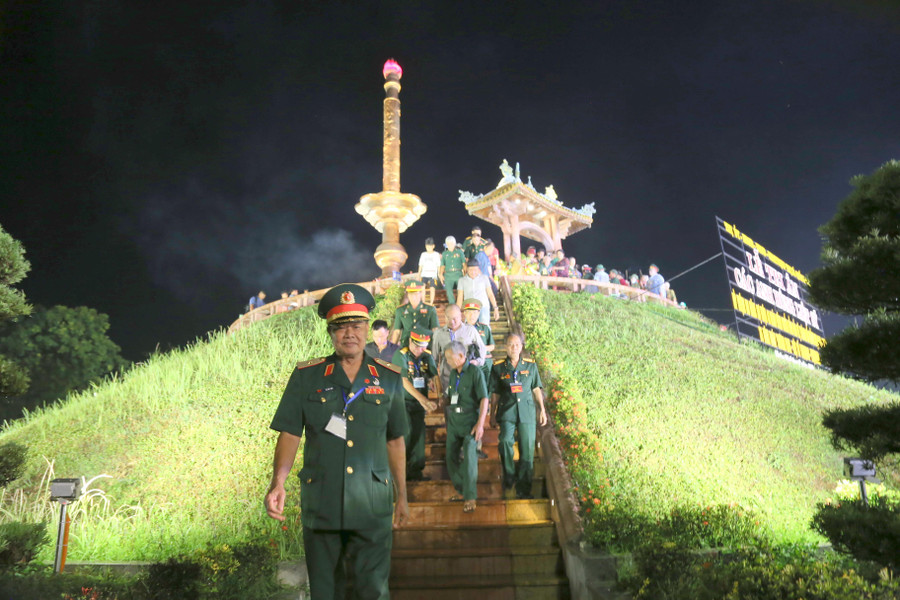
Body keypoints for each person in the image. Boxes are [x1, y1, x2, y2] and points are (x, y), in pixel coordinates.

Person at [265, 283, 409, 600]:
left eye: (356, 326)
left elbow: (395, 440)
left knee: (373, 591)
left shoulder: (389, 378)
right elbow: (290, 432)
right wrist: (278, 482)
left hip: (372, 505)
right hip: (323, 504)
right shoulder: (307, 376)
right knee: (325, 592)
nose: (349, 334)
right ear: (330, 332)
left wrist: (402, 495)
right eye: (341, 327)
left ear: (367, 328)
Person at [490, 333, 547, 499]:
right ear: (505, 347)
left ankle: (524, 487)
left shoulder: (530, 366)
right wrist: (492, 413)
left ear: (521, 347)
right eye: (510, 344)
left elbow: (536, 388)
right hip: (507, 410)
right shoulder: (498, 367)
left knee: (527, 449)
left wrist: (542, 410)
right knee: (505, 441)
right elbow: (495, 393)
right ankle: (509, 476)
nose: (514, 347)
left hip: (527, 412)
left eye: (517, 344)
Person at [443, 341, 490, 513]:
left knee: (470, 458)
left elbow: (484, 398)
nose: (447, 361)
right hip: (455, 420)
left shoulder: (475, 372)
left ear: (461, 356)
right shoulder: (453, 374)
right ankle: (462, 490)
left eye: (450, 358)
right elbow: (452, 395)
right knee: (450, 457)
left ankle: (470, 496)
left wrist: (480, 424)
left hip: (470, 421)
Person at [392, 325, 439, 481]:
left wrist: (436, 389)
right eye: (418, 346)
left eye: (423, 347)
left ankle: (415, 472)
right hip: (403, 402)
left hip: (419, 404)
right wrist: (424, 400)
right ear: (411, 341)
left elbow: (434, 375)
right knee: (406, 433)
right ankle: (399, 471)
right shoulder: (401, 355)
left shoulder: (426, 356)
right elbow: (404, 381)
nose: (420, 350)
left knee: (419, 436)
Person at [431, 304, 486, 393]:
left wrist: (478, 361)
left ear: (461, 316)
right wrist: (433, 378)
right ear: (445, 317)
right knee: (448, 401)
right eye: (449, 318)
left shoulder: (470, 330)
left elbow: (482, 349)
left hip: (467, 377)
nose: (452, 322)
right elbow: (434, 358)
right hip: (447, 379)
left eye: (455, 318)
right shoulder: (439, 334)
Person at [390, 280, 439, 348]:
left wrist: (437, 347)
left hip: (424, 345)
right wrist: (391, 348)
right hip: (406, 345)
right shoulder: (401, 310)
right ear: (407, 295)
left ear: (421, 294)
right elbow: (397, 332)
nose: (413, 297)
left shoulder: (430, 309)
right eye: (411, 294)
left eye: (416, 294)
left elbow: (435, 329)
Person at [456, 260, 499, 325]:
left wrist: (495, 308)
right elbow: (460, 297)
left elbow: (490, 294)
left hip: (483, 307)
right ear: (467, 269)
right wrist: (457, 312)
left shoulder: (484, 278)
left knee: (484, 327)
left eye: (475, 270)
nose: (473, 272)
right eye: (471, 270)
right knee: (469, 328)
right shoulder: (462, 280)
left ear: (478, 269)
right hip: (469, 309)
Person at [439, 236, 466, 305]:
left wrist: (465, 274)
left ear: (454, 244)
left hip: (458, 274)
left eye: (451, 243)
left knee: (460, 290)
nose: (450, 245)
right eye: (448, 244)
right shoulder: (444, 254)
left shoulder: (459, 252)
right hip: (448, 275)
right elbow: (442, 265)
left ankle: (459, 305)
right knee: (449, 291)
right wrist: (440, 274)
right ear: (446, 244)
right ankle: (452, 305)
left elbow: (464, 264)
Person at [417, 237, 442, 305]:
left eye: (430, 246)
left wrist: (439, 274)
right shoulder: (423, 254)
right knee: (422, 287)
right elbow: (420, 265)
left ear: (433, 246)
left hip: (433, 274)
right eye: (427, 247)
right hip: (424, 274)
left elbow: (438, 265)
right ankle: (423, 302)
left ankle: (431, 303)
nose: (428, 248)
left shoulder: (436, 254)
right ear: (425, 246)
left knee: (432, 288)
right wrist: (418, 274)